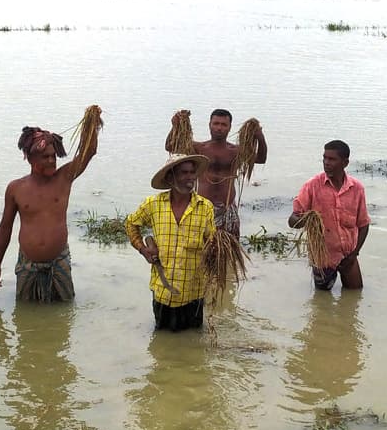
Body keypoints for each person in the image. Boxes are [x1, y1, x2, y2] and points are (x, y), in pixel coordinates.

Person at [0, 108, 101, 302]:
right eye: (45, 157)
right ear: (30, 158)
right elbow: (5, 227)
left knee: (64, 315)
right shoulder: (16, 189)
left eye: (53, 156)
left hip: (59, 262)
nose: (51, 161)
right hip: (27, 265)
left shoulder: (64, 178)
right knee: (25, 317)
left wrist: (92, 122)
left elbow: (88, 152)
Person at [125, 154, 216, 331]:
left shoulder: (205, 207)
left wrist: (216, 255)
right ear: (170, 177)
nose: (190, 177)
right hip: (163, 291)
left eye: (192, 172)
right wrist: (143, 249)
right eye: (184, 173)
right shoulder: (153, 204)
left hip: (193, 291)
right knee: (163, 341)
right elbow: (131, 224)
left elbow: (211, 243)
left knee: (192, 344)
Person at [165, 108, 267, 236]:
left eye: (224, 124)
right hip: (202, 208)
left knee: (230, 249)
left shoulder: (236, 151)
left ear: (230, 127)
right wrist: (175, 126)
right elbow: (170, 146)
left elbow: (261, 159)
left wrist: (260, 136)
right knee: (200, 249)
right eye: (216, 123)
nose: (219, 128)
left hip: (227, 209)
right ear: (210, 125)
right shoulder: (198, 148)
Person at [288, 140, 370, 290]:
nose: (326, 163)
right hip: (322, 258)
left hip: (348, 255)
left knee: (355, 294)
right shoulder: (312, 186)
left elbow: (364, 225)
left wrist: (354, 255)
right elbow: (292, 220)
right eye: (324, 158)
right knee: (322, 303)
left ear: (345, 163)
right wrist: (307, 219)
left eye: (332, 159)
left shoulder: (356, 189)